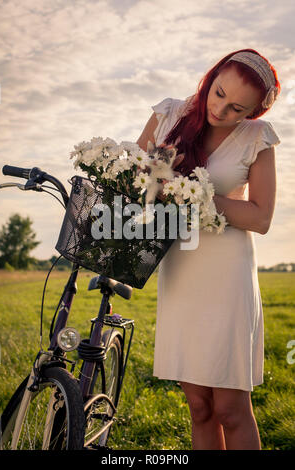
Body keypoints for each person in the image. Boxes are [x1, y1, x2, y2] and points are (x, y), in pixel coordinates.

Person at [136, 49, 281, 450]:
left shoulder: (258, 138)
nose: (221, 109)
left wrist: (197, 197)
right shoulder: (170, 115)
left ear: (253, 112)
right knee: (199, 407)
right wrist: (153, 181)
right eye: (218, 93)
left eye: (237, 108)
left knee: (231, 410)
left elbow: (261, 217)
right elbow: (136, 185)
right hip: (181, 270)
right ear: (211, 76)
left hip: (227, 276)